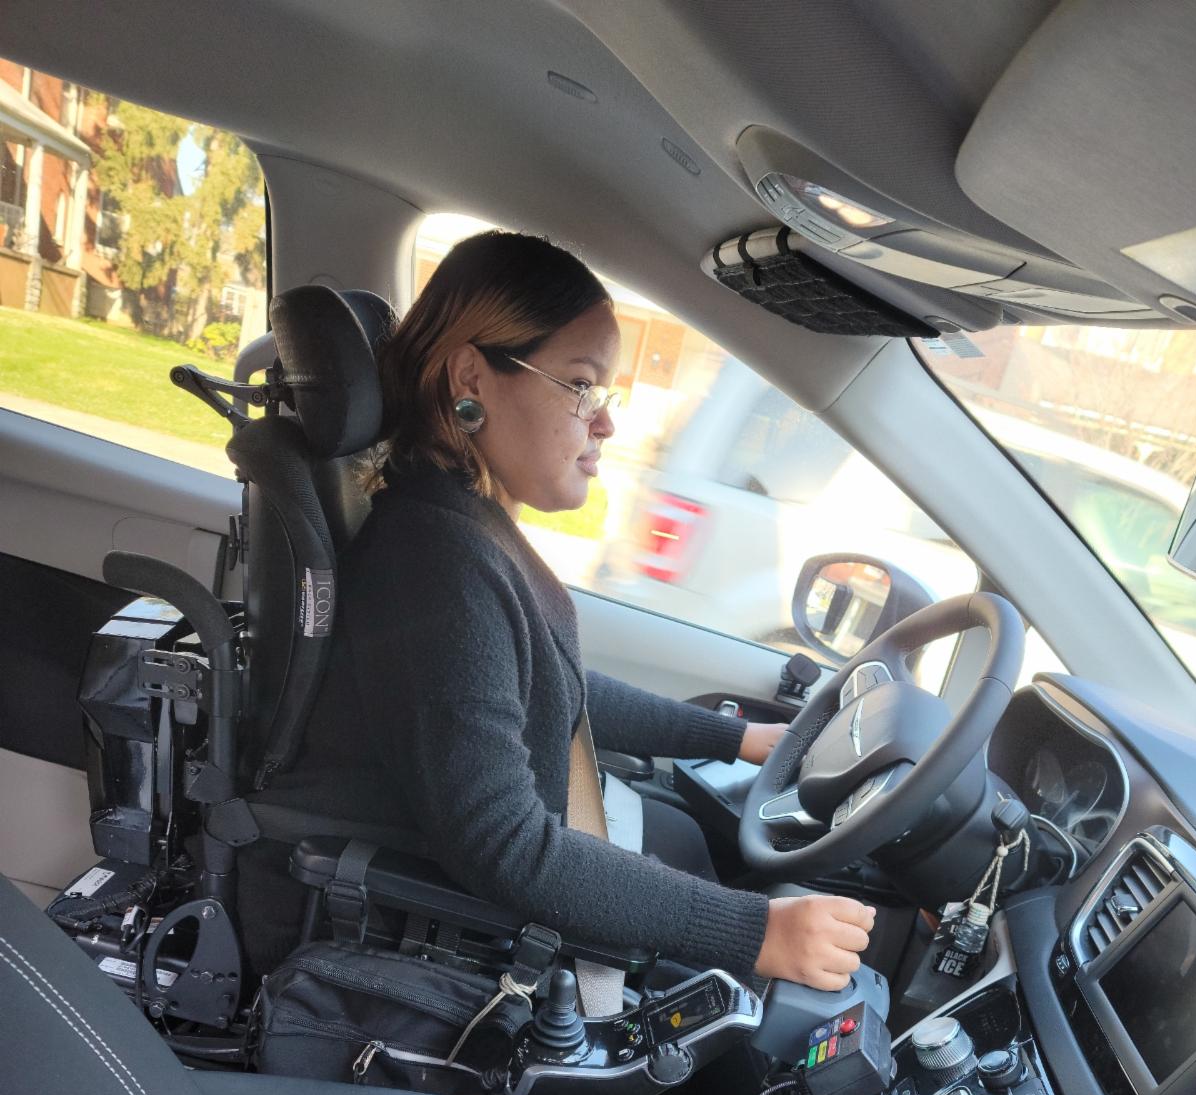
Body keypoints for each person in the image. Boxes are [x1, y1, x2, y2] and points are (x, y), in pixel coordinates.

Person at [266, 230, 875, 989]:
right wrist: (757, 934)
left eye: (607, 393)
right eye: (583, 386)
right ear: (471, 378)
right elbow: (506, 843)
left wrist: (740, 737)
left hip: (495, 889)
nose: (607, 422)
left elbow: (555, 686)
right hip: (450, 939)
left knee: (687, 838)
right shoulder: (434, 563)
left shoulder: (462, 522)